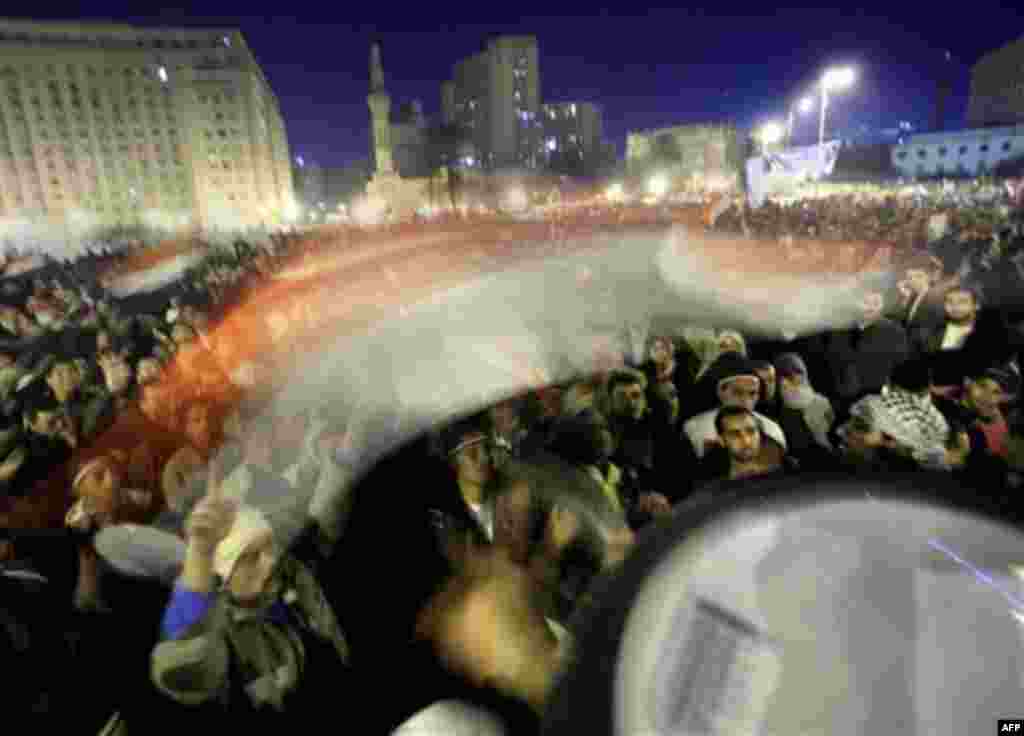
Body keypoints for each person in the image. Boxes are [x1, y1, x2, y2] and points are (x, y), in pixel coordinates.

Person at [150, 490, 350, 724]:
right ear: (219, 574)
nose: (271, 560)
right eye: (251, 557)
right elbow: (179, 666)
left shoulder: (293, 573)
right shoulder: (219, 635)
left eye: (269, 546)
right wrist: (201, 553)